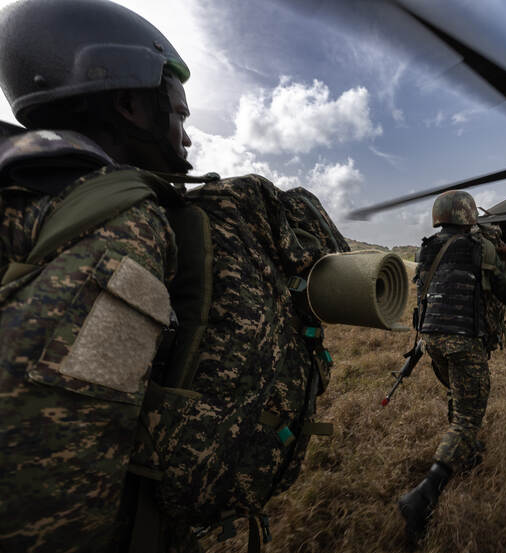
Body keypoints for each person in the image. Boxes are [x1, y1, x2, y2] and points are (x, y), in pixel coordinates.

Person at [0, 1, 346, 551]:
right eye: (180, 116)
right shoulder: (122, 225)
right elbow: (58, 469)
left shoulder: (27, 192)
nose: (186, 137)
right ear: (130, 104)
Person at [398, 190, 506, 544]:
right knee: (469, 417)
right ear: (468, 215)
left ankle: (466, 452)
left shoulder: (427, 248)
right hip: (463, 339)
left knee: (457, 390)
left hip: (431, 338)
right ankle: (422, 497)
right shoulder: (478, 248)